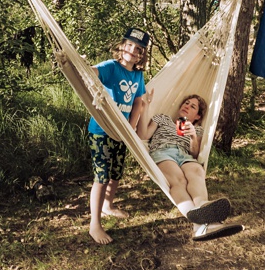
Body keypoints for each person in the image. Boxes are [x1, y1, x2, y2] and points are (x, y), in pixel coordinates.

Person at [135, 93, 234, 238]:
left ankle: (203, 207)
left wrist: (193, 135)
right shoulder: (163, 118)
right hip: (163, 151)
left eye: (192, 106)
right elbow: (143, 136)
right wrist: (146, 107)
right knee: (179, 181)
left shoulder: (197, 129)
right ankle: (202, 224)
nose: (187, 106)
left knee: (197, 172)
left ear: (198, 116)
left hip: (184, 155)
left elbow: (194, 154)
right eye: (186, 103)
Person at [87, 27, 150, 245]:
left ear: (142, 55)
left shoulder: (137, 75)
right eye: (130, 45)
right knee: (101, 176)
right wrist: (81, 65)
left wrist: (131, 128)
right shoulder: (111, 67)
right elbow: (92, 72)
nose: (133, 50)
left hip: (121, 131)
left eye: (138, 49)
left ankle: (108, 206)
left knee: (116, 173)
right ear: (122, 46)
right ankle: (94, 224)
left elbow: (138, 102)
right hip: (102, 130)